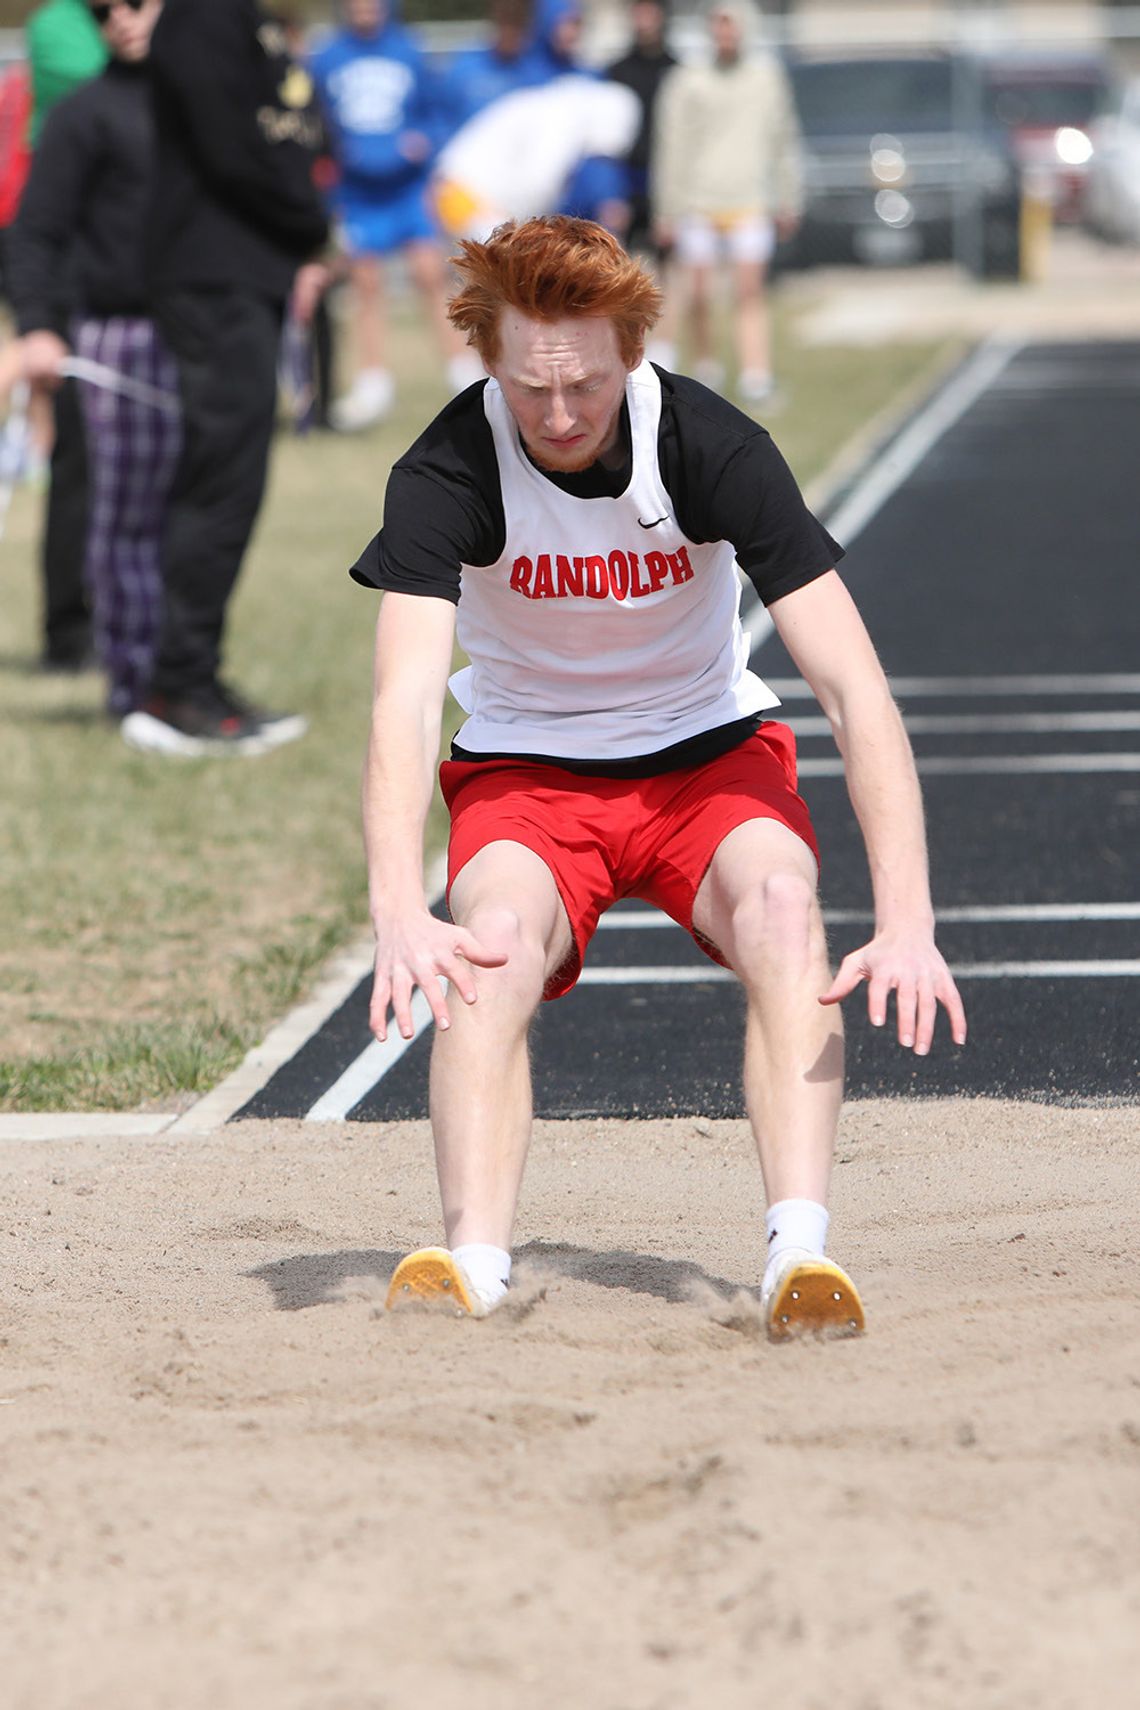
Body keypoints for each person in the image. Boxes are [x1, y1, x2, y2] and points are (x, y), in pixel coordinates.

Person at [352, 215, 967, 1338]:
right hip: (530, 766)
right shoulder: (446, 467)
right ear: (487, 359)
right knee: (483, 946)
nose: (558, 414)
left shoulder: (710, 445)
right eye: (530, 389)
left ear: (631, 351)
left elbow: (853, 690)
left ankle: (798, 1256)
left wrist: (909, 918)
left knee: (784, 911)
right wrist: (398, 911)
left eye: (583, 384)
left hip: (705, 756)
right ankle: (473, 1262)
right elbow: (402, 701)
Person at [121, 0, 330, 758]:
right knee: (219, 479)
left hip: (247, 275)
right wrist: (311, 224)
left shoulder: (247, 19)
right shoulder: (202, 16)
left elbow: (290, 129)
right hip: (210, 276)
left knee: (235, 479)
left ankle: (194, 675)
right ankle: (178, 687)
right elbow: (233, 148)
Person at [8, 0, 180, 720]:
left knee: (180, 502)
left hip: (188, 327)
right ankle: (74, 633)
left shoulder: (202, 98)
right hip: (99, 323)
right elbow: (35, 230)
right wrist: (42, 325)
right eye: (105, 8)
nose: (121, 17)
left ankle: (177, 655)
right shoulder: (67, 57)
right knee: (88, 487)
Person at [309, 0, 476, 432]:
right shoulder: (327, 56)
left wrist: (425, 141)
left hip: (407, 190)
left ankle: (463, 373)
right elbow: (315, 119)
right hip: (357, 193)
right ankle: (373, 380)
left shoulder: (409, 49)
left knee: (430, 274)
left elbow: (438, 112)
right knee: (365, 282)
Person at [652, 0, 803, 404]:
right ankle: (705, 369)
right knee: (698, 293)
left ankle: (757, 376)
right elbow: (673, 146)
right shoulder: (688, 80)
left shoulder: (766, 78)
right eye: (718, 24)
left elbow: (783, 139)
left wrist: (788, 196)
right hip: (698, 202)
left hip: (750, 199)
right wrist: (667, 208)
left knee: (749, 291)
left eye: (731, 24)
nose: (725, 33)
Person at [22, 0, 107, 674]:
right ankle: (65, 629)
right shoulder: (58, 25)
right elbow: (118, 84)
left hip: (136, 270)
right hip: (74, 264)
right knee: (76, 463)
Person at [606, 0, 677, 259]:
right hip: (627, 178)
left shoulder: (677, 70)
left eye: (649, 12)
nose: (644, 19)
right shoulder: (616, 71)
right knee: (619, 264)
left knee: (668, 264)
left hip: (666, 179)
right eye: (638, 12)